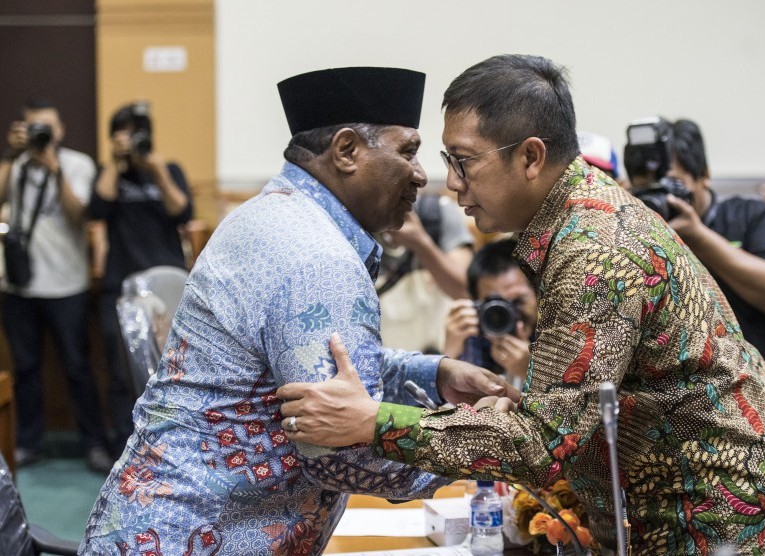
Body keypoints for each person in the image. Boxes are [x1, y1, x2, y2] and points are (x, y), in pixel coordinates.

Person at [277, 55, 765, 554]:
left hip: (732, 525)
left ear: (531, 157)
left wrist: (376, 422)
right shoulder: (581, 221)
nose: (449, 184)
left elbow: (545, 446)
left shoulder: (596, 252)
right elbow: (576, 412)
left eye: (464, 161)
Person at [80, 66, 515, 555]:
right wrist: (482, 446)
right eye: (408, 151)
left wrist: (430, 373)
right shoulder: (315, 255)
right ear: (347, 151)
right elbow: (337, 451)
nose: (420, 173)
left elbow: (318, 369)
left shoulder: (275, 214)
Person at [661, 118, 765, 491]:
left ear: (703, 174)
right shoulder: (646, 232)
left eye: (673, 182)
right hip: (692, 423)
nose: (665, 196)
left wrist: (699, 237)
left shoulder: (751, 217)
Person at [0, 98, 112, 473]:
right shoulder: (14, 165)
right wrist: (11, 155)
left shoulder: (77, 163)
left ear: (60, 131)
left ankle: (93, 443)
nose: (42, 135)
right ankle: (29, 443)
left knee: (77, 367)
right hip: (18, 286)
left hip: (67, 285)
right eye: (34, 128)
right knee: (26, 368)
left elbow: (79, 213)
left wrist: (53, 168)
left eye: (47, 128)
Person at [88, 102, 193, 453]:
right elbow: (96, 209)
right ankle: (124, 446)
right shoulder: (109, 175)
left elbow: (183, 212)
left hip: (168, 287)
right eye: (124, 133)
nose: (132, 140)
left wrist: (157, 170)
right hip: (122, 286)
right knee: (120, 372)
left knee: (173, 369)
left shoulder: (168, 169)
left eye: (138, 132)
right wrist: (115, 165)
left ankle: (169, 444)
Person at [377, 191, 474, 353]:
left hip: (443, 358)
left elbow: (465, 291)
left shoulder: (437, 212)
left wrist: (420, 242)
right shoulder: (347, 222)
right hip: (380, 368)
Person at [444, 238, 537, 385]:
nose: (509, 313)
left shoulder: (555, 336)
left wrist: (532, 372)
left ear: (539, 294)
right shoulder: (473, 336)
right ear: (477, 304)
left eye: (517, 302)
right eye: (496, 305)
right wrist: (449, 356)